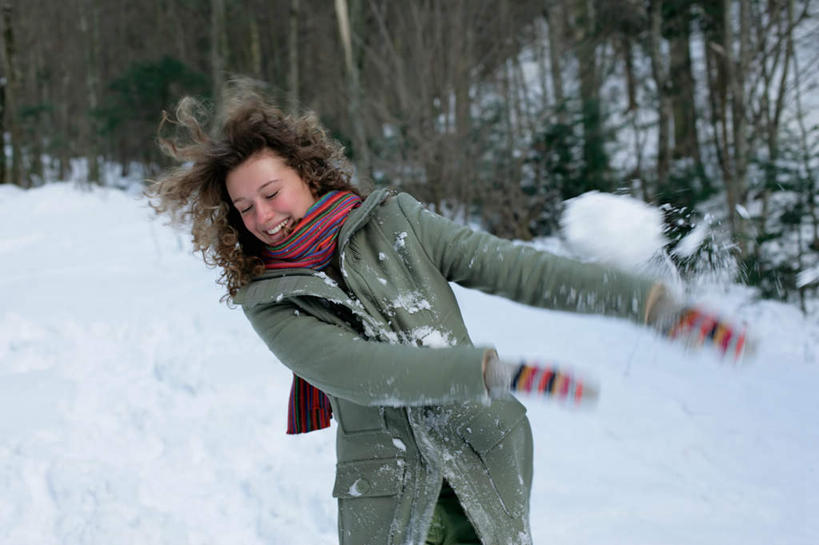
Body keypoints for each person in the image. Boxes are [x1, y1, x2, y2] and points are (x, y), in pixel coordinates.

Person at [147, 85, 741, 545]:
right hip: (390, 489)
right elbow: (359, 371)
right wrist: (484, 372)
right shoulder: (269, 297)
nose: (264, 217)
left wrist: (642, 301)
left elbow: (512, 266)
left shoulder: (397, 223)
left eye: (271, 192)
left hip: (482, 452)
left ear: (306, 172)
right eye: (245, 208)